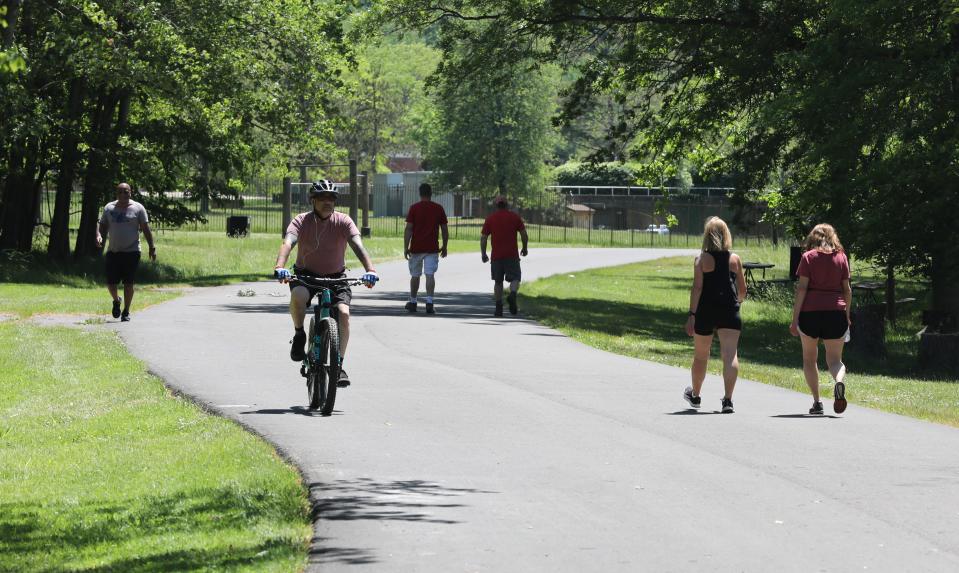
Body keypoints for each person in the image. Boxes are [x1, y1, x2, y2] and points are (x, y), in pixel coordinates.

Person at [273, 179, 379, 387]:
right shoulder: (301, 221)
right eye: (322, 198)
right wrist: (280, 267)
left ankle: (338, 365)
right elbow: (288, 243)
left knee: (344, 314)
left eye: (331, 198)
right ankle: (299, 333)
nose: (327, 202)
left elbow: (358, 245)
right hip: (306, 275)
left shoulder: (344, 221)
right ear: (312, 200)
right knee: (298, 296)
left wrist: (370, 270)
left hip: (337, 277)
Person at [684, 216, 746, 413]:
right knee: (730, 355)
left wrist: (691, 314)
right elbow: (742, 290)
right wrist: (738, 302)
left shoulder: (701, 259)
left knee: (701, 356)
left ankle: (695, 395)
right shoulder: (734, 259)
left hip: (706, 310)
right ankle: (728, 400)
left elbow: (697, 288)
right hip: (729, 309)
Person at [790, 223, 851, 415]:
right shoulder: (841, 257)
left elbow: (802, 289)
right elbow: (847, 290)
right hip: (836, 311)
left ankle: (817, 402)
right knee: (835, 360)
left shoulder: (808, 257)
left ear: (813, 238)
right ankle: (839, 382)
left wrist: (795, 318)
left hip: (811, 312)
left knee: (809, 359)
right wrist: (847, 315)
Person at [95, 182, 156, 322]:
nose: (123, 194)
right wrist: (98, 235)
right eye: (120, 192)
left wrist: (152, 247)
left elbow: (145, 228)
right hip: (113, 251)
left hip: (132, 251)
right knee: (111, 284)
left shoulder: (138, 208)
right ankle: (117, 300)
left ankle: (126, 311)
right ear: (117, 193)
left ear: (131, 192)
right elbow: (102, 225)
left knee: (129, 283)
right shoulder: (109, 208)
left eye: (126, 192)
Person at [404, 182, 449, 314]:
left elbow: (409, 229)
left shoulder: (414, 208)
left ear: (420, 193)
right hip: (432, 248)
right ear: (431, 193)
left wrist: (406, 247)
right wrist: (445, 246)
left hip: (416, 247)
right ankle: (429, 302)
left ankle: (413, 302)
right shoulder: (438, 208)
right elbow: (445, 230)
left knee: (415, 275)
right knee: (430, 275)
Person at [480, 195, 529, 317]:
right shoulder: (515, 217)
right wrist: (524, 247)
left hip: (496, 256)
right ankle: (512, 294)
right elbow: (524, 234)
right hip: (512, 255)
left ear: (496, 206)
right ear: (507, 205)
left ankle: (498, 308)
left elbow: (484, 238)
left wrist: (483, 253)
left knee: (498, 282)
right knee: (515, 278)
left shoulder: (490, 219)